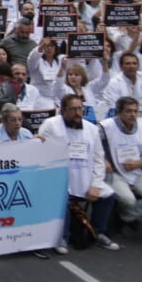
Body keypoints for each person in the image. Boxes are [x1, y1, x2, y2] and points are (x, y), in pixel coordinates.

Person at [39, 94, 119, 253]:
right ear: (63, 111)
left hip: (84, 178)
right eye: (73, 109)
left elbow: (98, 159)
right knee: (59, 198)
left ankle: (98, 232)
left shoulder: (91, 129)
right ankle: (62, 237)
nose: (77, 113)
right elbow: (41, 152)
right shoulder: (51, 125)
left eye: (80, 109)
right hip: (58, 178)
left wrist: (96, 185)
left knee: (109, 195)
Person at [100, 96, 142, 247]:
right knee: (128, 199)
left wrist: (140, 162)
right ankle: (124, 216)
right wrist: (103, 160)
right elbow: (94, 147)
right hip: (113, 172)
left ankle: (124, 217)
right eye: (128, 111)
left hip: (135, 171)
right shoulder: (105, 127)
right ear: (119, 112)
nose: (133, 115)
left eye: (135, 111)